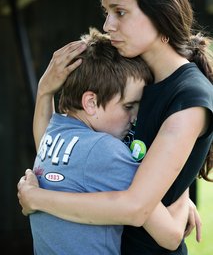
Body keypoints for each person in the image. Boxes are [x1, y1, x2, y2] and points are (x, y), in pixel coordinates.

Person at [17, 0, 213, 255]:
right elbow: (62, 152)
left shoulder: (189, 99)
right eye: (107, 12)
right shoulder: (132, 78)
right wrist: (45, 92)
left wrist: (38, 200)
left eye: (120, 12)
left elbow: (135, 207)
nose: (108, 25)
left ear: (159, 13)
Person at [27, 28, 191, 255]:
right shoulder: (104, 150)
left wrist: (45, 90)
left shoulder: (52, 134)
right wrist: (183, 195)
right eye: (128, 106)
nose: (134, 118)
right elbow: (171, 236)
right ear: (91, 103)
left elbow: (43, 131)